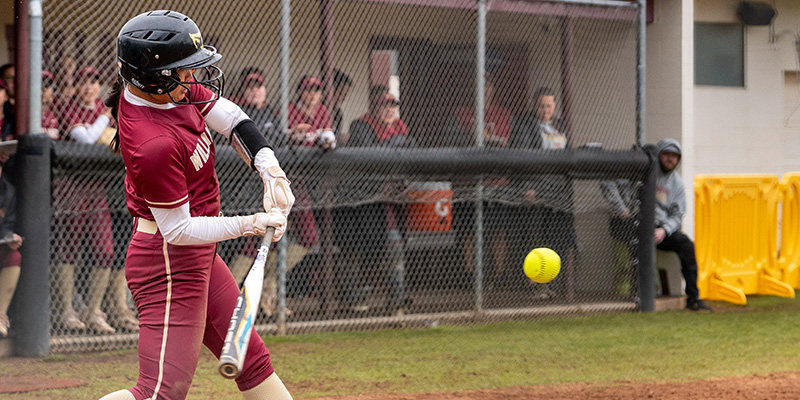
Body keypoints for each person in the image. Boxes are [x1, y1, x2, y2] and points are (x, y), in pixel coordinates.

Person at [99, 10, 295, 400]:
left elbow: (233, 119)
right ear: (152, 78)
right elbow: (179, 229)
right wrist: (251, 222)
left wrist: (269, 167)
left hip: (197, 255)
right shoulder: (152, 143)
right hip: (168, 262)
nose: (192, 78)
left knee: (252, 361)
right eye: (182, 71)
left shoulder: (167, 89)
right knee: (159, 393)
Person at [52, 65, 119, 334]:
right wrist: (105, 115)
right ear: (75, 86)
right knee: (69, 248)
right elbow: (89, 140)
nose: (90, 87)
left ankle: (94, 312)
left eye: (94, 81)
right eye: (83, 82)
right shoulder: (70, 108)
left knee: (105, 250)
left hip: (97, 186)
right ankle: (65, 311)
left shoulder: (103, 112)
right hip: (71, 185)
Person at [346, 92, 414, 314]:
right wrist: (398, 144)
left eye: (393, 106)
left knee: (395, 243)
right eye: (385, 106)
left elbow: (412, 150)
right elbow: (372, 155)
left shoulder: (400, 126)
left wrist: (397, 144)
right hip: (361, 199)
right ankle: (352, 296)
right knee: (355, 247)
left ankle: (397, 298)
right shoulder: (361, 125)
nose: (389, 110)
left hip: (390, 199)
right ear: (375, 108)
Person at [510, 87, 577, 300]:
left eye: (549, 106)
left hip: (557, 190)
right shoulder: (525, 124)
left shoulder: (559, 125)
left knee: (554, 237)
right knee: (534, 237)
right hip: (536, 188)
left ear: (554, 106)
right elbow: (522, 156)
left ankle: (546, 282)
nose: (546, 110)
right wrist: (527, 186)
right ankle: (532, 284)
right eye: (541, 105)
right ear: (534, 105)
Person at [451, 80, 511, 285]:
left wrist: (488, 138)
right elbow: (451, 141)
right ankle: (470, 275)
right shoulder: (462, 113)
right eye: (480, 88)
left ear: (493, 91)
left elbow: (507, 142)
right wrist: (471, 134)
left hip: (496, 182)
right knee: (468, 229)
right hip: (468, 182)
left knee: (497, 229)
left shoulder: (503, 114)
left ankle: (498, 275)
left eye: (488, 88)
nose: (484, 92)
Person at [653, 138, 712, 311]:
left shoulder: (677, 183)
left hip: (661, 230)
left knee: (686, 244)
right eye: (666, 155)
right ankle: (644, 294)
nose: (670, 159)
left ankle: (693, 297)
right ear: (658, 155)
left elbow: (678, 215)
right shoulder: (646, 173)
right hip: (638, 226)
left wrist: (664, 230)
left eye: (674, 156)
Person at [0, 158, 23, 338]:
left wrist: (8, 237)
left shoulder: (7, 191)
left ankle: (0, 316)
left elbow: (7, 224)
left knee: (14, 256)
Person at [330, 69, 352, 142]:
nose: (343, 97)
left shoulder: (338, 113)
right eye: (341, 93)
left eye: (345, 94)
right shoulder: (318, 109)